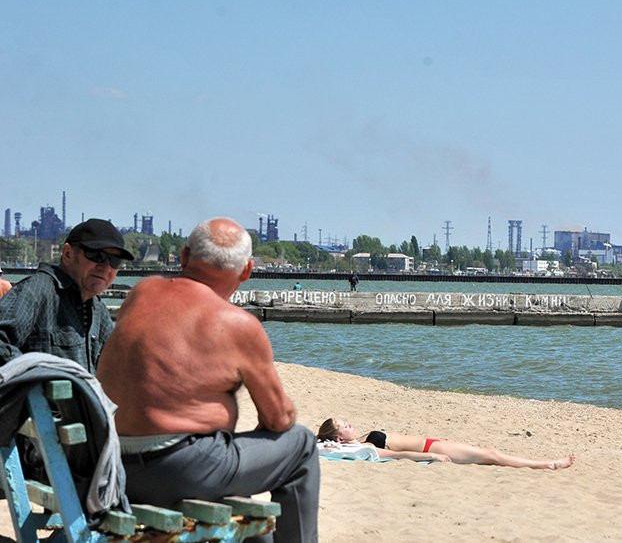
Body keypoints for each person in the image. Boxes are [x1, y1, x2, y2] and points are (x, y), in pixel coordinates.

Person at [96, 217, 319, 543]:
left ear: (184, 256)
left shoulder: (141, 294)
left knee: (255, 528)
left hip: (117, 464)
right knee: (301, 445)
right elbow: (279, 419)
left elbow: (122, 379)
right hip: (185, 470)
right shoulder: (238, 324)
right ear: (246, 271)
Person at [0, 218, 133, 373]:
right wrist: (37, 380)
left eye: (115, 261)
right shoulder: (37, 292)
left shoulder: (97, 310)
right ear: (68, 254)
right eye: (96, 255)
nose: (105, 267)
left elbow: (118, 364)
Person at [316, 418, 574, 470]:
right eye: (344, 426)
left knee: (488, 454)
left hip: (432, 443)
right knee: (491, 454)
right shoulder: (367, 447)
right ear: (339, 438)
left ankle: (546, 463)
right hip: (431, 449)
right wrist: (433, 458)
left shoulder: (360, 440)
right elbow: (398, 455)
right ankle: (547, 464)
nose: (350, 424)